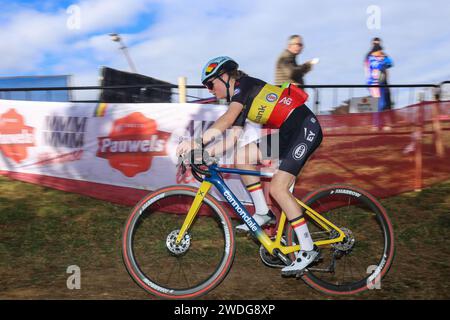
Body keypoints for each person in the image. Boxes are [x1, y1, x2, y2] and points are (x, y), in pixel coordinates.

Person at [176, 56, 323, 276]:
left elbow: (226, 120)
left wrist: (197, 142)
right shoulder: (241, 99)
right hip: (287, 134)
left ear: (225, 77)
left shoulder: (244, 85)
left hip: (305, 128)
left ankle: (308, 249)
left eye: (210, 84)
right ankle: (263, 212)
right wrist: (204, 153)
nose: (209, 90)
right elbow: (233, 137)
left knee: (278, 188)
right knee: (242, 156)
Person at [364, 37, 394, 130]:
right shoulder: (369, 56)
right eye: (375, 44)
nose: (377, 46)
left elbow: (390, 63)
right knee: (378, 103)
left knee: (385, 103)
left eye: (378, 44)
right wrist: (368, 81)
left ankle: (385, 123)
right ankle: (376, 124)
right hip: (373, 83)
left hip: (383, 82)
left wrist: (384, 60)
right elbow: (369, 67)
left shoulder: (383, 55)